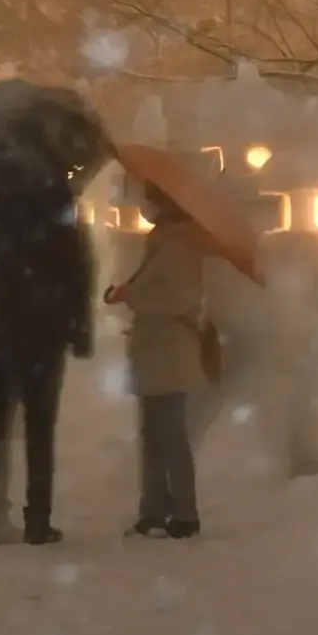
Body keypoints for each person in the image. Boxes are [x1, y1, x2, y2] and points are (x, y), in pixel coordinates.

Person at [0, 177, 94, 546]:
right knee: (40, 429)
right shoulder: (58, 198)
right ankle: (38, 519)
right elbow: (79, 267)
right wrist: (80, 331)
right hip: (44, 328)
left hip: (1, 324)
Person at [106, 185, 208, 540]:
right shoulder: (164, 239)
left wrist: (132, 296)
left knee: (170, 435)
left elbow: (176, 297)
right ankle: (155, 509)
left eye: (150, 200)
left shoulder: (178, 244)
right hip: (157, 350)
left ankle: (182, 511)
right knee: (155, 434)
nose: (144, 206)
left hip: (169, 349)